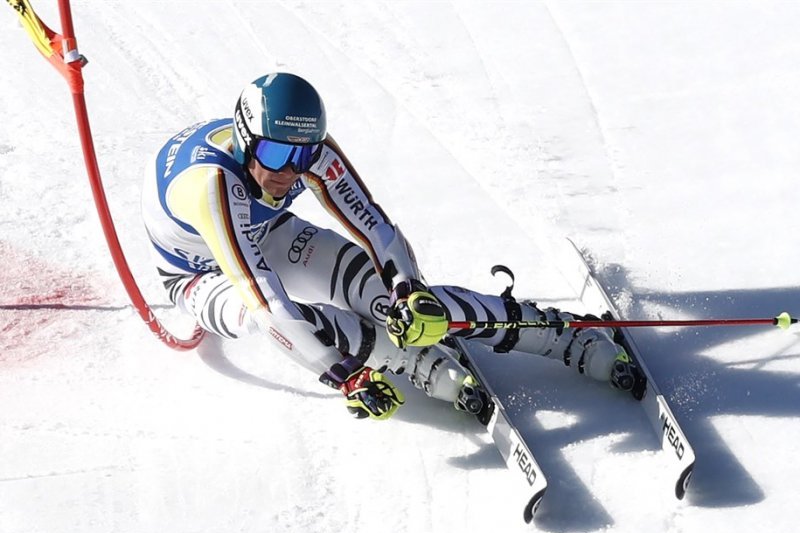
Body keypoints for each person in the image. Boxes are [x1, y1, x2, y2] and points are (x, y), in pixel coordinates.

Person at [141, 72, 636, 421]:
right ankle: (409, 361)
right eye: (274, 153)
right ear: (248, 139)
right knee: (274, 318)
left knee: (378, 289)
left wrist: (408, 293)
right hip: (201, 275)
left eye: (302, 156)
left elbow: (374, 227)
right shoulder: (210, 185)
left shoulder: (306, 151)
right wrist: (343, 377)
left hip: (266, 233)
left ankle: (559, 335)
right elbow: (266, 302)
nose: (288, 171)